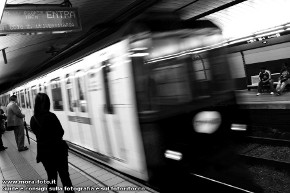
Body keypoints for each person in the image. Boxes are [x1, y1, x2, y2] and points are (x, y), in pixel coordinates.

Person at [30, 93, 74, 193]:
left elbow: (37, 133)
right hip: (58, 151)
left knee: (51, 178)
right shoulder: (51, 116)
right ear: (48, 103)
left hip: (44, 153)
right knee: (65, 177)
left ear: (36, 104)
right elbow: (61, 132)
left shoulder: (33, 119)